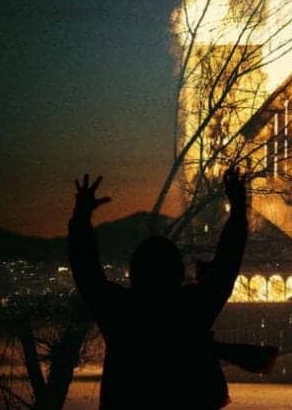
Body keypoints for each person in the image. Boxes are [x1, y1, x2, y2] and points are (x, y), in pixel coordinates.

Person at [68, 168, 249, 409]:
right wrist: (238, 210)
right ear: (178, 272)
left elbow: (85, 270)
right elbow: (227, 264)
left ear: (134, 271)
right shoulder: (192, 308)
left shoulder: (119, 310)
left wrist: (81, 218)